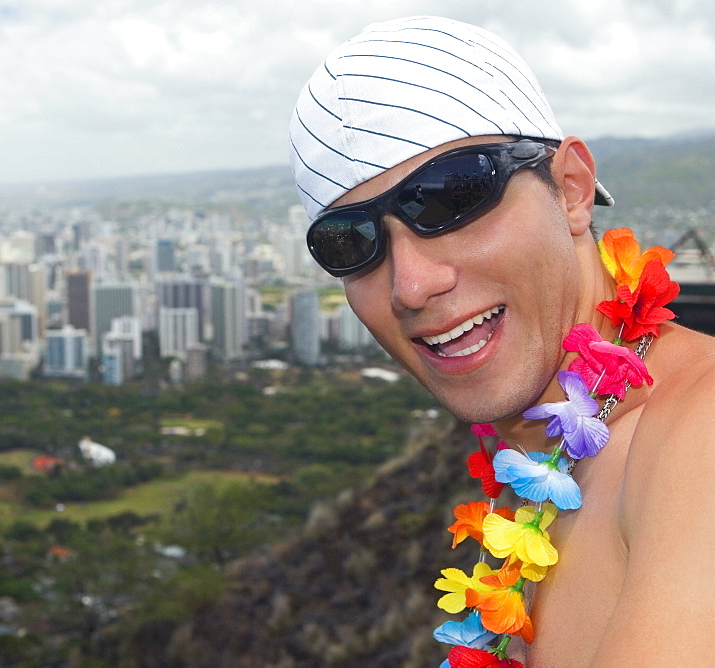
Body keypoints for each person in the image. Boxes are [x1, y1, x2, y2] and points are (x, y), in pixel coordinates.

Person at [289, 15, 715, 667]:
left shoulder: (698, 437)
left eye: (449, 197)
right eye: (351, 243)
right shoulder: (545, 468)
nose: (411, 285)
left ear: (571, 190)